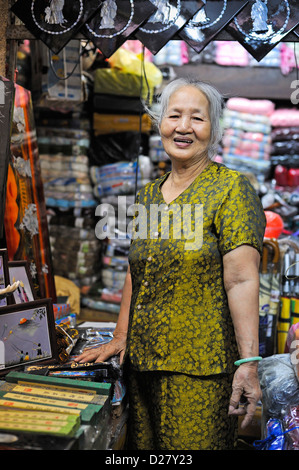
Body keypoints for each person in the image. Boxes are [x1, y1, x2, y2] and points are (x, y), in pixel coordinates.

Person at [75, 78, 266, 450]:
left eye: (197, 118)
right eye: (174, 115)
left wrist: (249, 362)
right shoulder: (148, 194)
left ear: (214, 131)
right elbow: (137, 270)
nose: (183, 127)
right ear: (159, 122)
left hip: (201, 371)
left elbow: (242, 279)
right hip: (143, 367)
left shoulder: (232, 189)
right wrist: (120, 335)